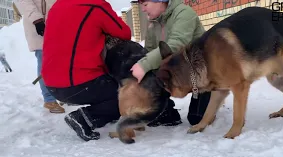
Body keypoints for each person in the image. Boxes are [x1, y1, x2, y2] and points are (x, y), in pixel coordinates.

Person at [41, 0, 182, 142]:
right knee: (125, 96)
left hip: (52, 85)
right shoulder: (95, 5)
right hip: (77, 82)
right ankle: (84, 118)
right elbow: (124, 32)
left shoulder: (57, 6)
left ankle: (162, 113)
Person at [131, 0, 212, 126]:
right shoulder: (154, 23)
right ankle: (167, 113)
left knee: (196, 119)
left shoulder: (184, 13)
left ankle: (210, 96)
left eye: (145, 5)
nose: (143, 10)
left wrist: (144, 65)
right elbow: (149, 50)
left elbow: (177, 44)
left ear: (159, 2)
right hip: (176, 67)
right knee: (150, 73)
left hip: (199, 70)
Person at [14, 0, 65, 113]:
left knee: (61, 62)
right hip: (39, 24)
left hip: (57, 23)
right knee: (45, 63)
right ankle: (49, 99)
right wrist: (36, 20)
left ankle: (62, 94)